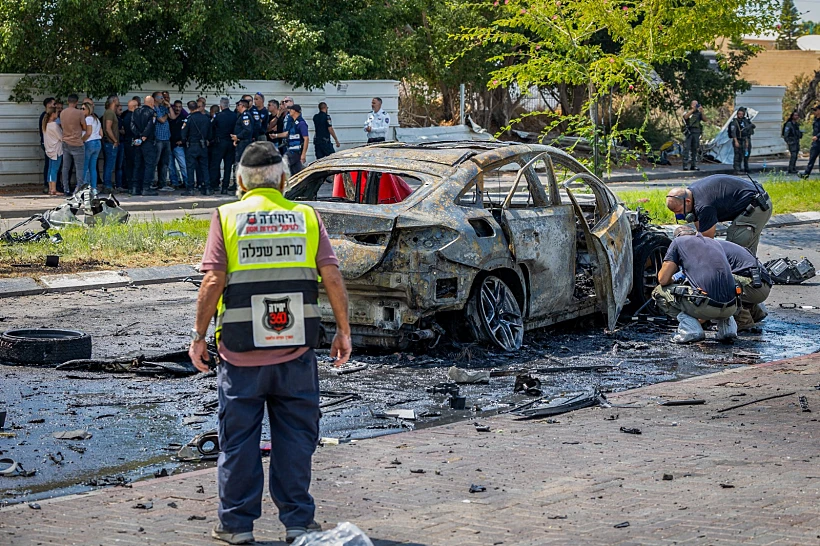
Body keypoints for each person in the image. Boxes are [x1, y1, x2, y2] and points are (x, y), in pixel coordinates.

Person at [188, 141, 352, 545]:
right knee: (295, 438)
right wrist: (344, 331)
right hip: (296, 353)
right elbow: (331, 276)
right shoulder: (306, 217)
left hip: (241, 355)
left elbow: (212, 280)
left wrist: (198, 336)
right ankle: (298, 522)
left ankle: (236, 527)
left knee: (239, 441)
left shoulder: (226, 216)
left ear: (240, 182)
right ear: (283, 178)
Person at [653, 226, 738, 344]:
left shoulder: (678, 242)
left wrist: (673, 279)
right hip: (732, 306)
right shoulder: (714, 243)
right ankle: (727, 328)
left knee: (658, 292)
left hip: (706, 307)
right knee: (718, 291)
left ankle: (691, 329)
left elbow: (663, 279)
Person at [665, 174, 773, 255]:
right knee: (745, 250)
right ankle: (750, 274)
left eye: (679, 211)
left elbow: (707, 240)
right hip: (752, 200)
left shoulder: (704, 205)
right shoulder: (691, 193)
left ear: (687, 201)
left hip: (757, 206)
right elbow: (701, 230)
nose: (679, 215)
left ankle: (744, 278)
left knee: (734, 250)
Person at [717, 237, 772, 331]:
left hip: (754, 288)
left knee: (716, 280)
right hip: (762, 284)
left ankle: (743, 320)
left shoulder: (709, 250)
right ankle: (755, 312)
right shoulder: (718, 243)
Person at [130, 95, 159, 196]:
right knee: (149, 164)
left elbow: (132, 125)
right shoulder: (152, 113)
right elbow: (150, 125)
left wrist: (138, 135)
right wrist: (144, 136)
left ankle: (135, 188)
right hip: (147, 142)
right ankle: (146, 188)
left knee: (138, 164)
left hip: (137, 141)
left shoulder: (136, 111)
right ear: (152, 103)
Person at [182, 100, 212, 196]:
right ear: (197, 107)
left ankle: (190, 189)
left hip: (192, 145)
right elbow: (210, 133)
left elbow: (183, 134)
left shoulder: (189, 119)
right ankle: (207, 188)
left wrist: (184, 141)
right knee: (204, 167)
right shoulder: (206, 118)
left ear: (189, 108)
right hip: (203, 145)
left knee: (190, 167)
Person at [59, 94, 87, 195]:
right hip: (77, 142)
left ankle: (66, 188)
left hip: (65, 141)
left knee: (65, 167)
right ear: (76, 102)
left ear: (68, 101)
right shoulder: (79, 113)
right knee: (79, 167)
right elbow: (84, 127)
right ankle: (79, 189)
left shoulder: (62, 113)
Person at [211, 97, 238, 194]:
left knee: (215, 164)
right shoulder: (234, 116)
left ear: (221, 106)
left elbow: (211, 127)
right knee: (228, 166)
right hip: (230, 143)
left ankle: (214, 185)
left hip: (219, 143)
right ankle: (225, 187)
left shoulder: (217, 116)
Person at [272, 104, 309, 174]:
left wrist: (303, 154)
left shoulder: (301, 124)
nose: (290, 111)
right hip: (291, 149)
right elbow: (287, 134)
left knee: (283, 164)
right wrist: (276, 135)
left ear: (295, 111)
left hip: (295, 151)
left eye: (291, 110)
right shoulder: (293, 123)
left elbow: (306, 139)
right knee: (296, 173)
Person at [152, 91, 176, 191]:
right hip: (158, 138)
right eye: (161, 97)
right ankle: (150, 182)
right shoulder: (154, 108)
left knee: (165, 162)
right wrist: (166, 115)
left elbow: (173, 117)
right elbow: (161, 120)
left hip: (166, 138)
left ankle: (162, 183)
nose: (163, 99)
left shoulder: (163, 107)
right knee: (154, 162)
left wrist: (169, 107)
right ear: (156, 98)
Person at [168, 100, 189, 191]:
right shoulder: (170, 117)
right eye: (176, 107)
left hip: (179, 145)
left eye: (180, 107)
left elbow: (187, 131)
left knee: (183, 165)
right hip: (169, 144)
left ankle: (187, 183)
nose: (178, 108)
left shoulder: (184, 117)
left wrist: (183, 140)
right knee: (171, 166)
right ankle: (174, 182)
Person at [82, 102, 103, 193]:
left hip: (89, 142)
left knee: (85, 166)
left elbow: (88, 132)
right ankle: (94, 188)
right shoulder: (96, 119)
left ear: (88, 110)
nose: (81, 110)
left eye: (83, 109)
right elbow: (101, 134)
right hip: (98, 142)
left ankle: (85, 187)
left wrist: (82, 140)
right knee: (93, 167)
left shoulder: (88, 119)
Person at [42, 106, 62, 196]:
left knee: (50, 169)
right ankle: (53, 189)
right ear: (53, 114)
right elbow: (61, 137)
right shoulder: (54, 125)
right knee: (55, 169)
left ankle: (50, 188)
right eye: (57, 113)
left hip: (49, 149)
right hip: (56, 149)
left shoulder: (45, 124)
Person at [728, 107, 755, 175]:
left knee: (745, 155)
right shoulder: (735, 122)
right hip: (738, 140)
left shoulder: (745, 121)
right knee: (738, 156)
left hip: (744, 140)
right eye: (739, 114)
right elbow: (733, 132)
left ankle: (746, 168)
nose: (740, 115)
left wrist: (746, 141)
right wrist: (736, 141)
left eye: (741, 114)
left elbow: (746, 132)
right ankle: (737, 169)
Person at [102, 97, 120, 193]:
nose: (119, 101)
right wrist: (115, 140)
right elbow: (108, 128)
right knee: (109, 164)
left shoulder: (112, 112)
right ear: (113, 101)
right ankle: (107, 185)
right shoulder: (109, 112)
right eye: (117, 99)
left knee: (109, 164)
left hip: (110, 142)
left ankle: (107, 184)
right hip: (110, 143)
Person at [682, 100, 707, 171]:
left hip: (696, 132)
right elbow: (685, 117)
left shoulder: (699, 113)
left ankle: (694, 165)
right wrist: (693, 110)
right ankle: (685, 165)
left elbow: (705, 119)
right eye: (694, 104)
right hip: (689, 132)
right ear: (691, 105)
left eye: (697, 104)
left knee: (695, 149)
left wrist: (702, 112)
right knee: (686, 148)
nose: (696, 106)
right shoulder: (688, 112)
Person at [120, 99, 138, 192]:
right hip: (133, 142)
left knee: (129, 164)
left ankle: (130, 184)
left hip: (127, 141)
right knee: (134, 164)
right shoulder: (134, 117)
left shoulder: (126, 116)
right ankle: (133, 185)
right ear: (135, 107)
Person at [231, 99, 254, 170]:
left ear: (242, 106)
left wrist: (238, 136)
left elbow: (247, 129)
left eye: (238, 105)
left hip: (244, 143)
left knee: (240, 163)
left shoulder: (245, 115)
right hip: (241, 141)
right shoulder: (241, 115)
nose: (237, 107)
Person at [39, 97, 56, 194]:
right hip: (48, 143)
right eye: (53, 104)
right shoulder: (45, 116)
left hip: (47, 143)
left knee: (50, 165)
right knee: (50, 165)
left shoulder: (45, 116)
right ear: (48, 104)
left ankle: (49, 185)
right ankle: (48, 184)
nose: (55, 106)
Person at [799, 106, 820, 178]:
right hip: (816, 143)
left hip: (818, 139)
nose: (814, 112)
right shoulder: (815, 119)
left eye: (815, 110)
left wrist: (817, 136)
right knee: (812, 158)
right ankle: (806, 174)